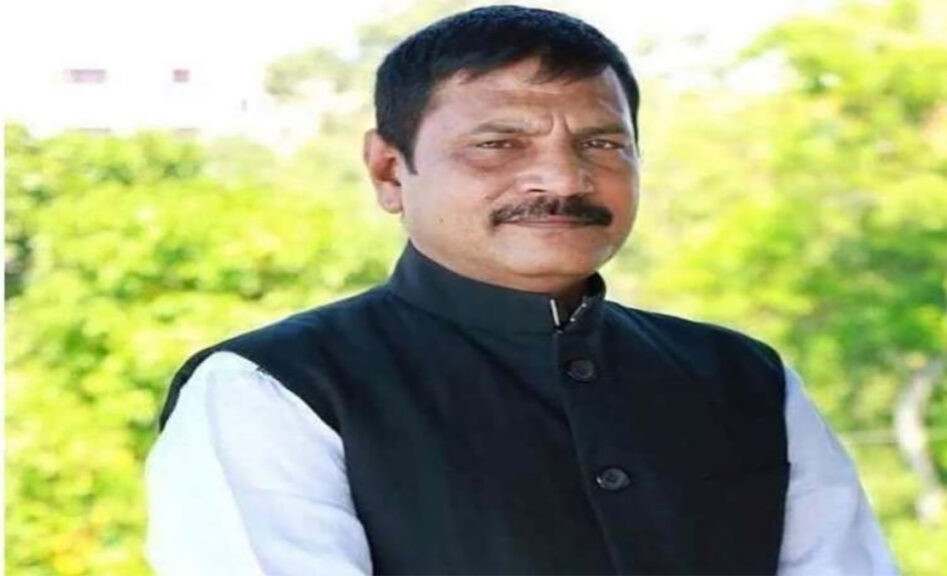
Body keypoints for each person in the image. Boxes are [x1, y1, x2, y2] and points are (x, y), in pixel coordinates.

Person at [144, 5, 899, 575]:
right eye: (499, 144)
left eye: (601, 142)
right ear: (388, 170)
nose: (563, 178)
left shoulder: (745, 380)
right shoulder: (271, 390)